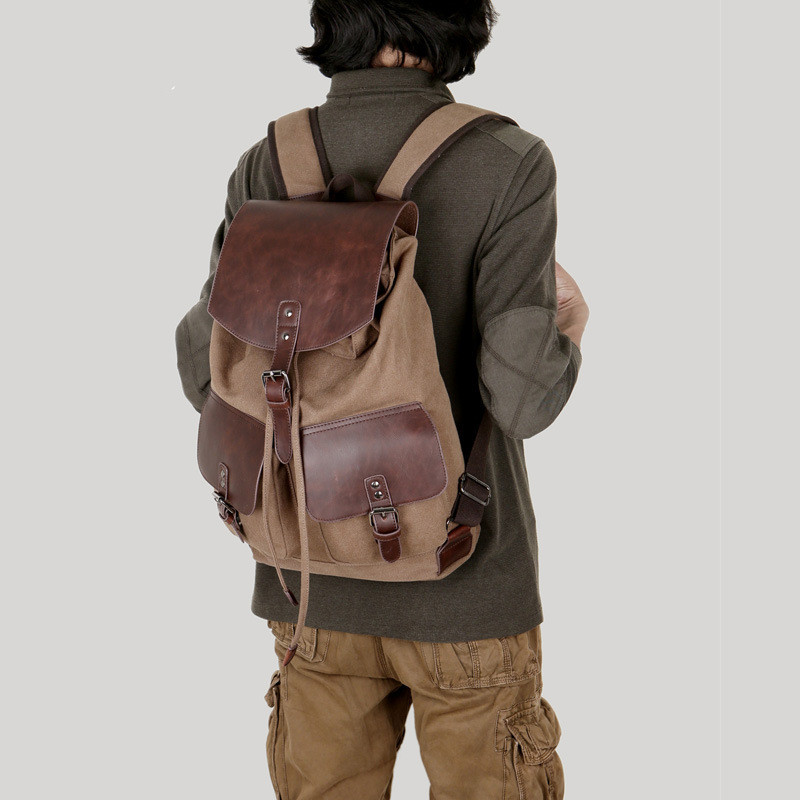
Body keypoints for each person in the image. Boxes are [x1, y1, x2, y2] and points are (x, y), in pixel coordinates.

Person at [175, 2, 589, 797]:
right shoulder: (508, 160)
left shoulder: (269, 162)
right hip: (463, 584)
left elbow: (204, 370)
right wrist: (568, 323)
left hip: (308, 588)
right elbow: (522, 400)